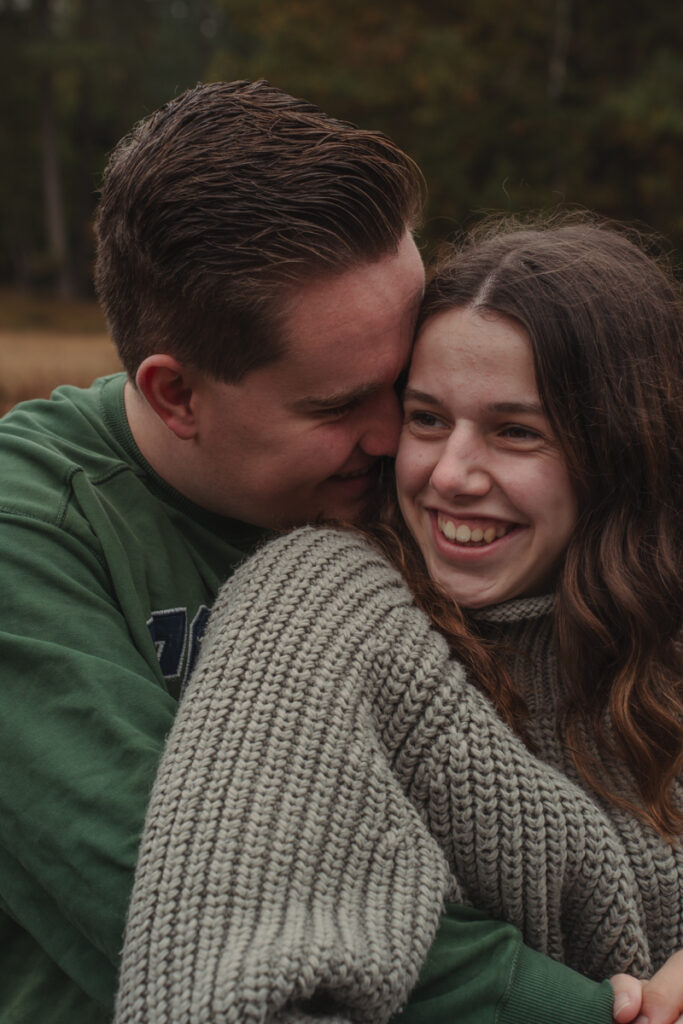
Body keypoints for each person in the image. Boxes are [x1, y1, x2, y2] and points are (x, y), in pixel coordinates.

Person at [0, 79, 623, 1024]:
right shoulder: (34, 534)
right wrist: (588, 1008)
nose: (409, 443)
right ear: (175, 396)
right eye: (339, 406)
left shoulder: (434, 490)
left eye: (407, 382)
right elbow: (194, 900)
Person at [112, 215, 683, 1024]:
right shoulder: (320, 609)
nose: (449, 474)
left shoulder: (657, 626)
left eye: (514, 431)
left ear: (620, 447)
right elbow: (217, 987)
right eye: (426, 419)